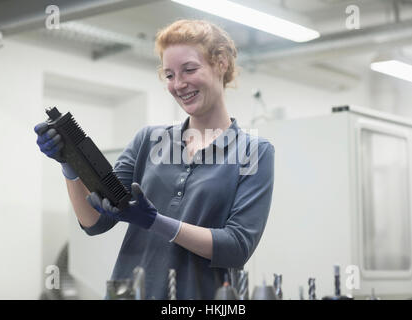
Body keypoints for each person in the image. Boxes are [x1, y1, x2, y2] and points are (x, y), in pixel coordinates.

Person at [34, 19, 275, 300]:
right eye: (169, 75)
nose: (179, 84)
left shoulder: (252, 150)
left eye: (189, 70)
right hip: (129, 292)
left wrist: (155, 221)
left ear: (221, 63)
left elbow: (236, 246)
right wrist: (70, 165)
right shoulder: (148, 141)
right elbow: (94, 222)